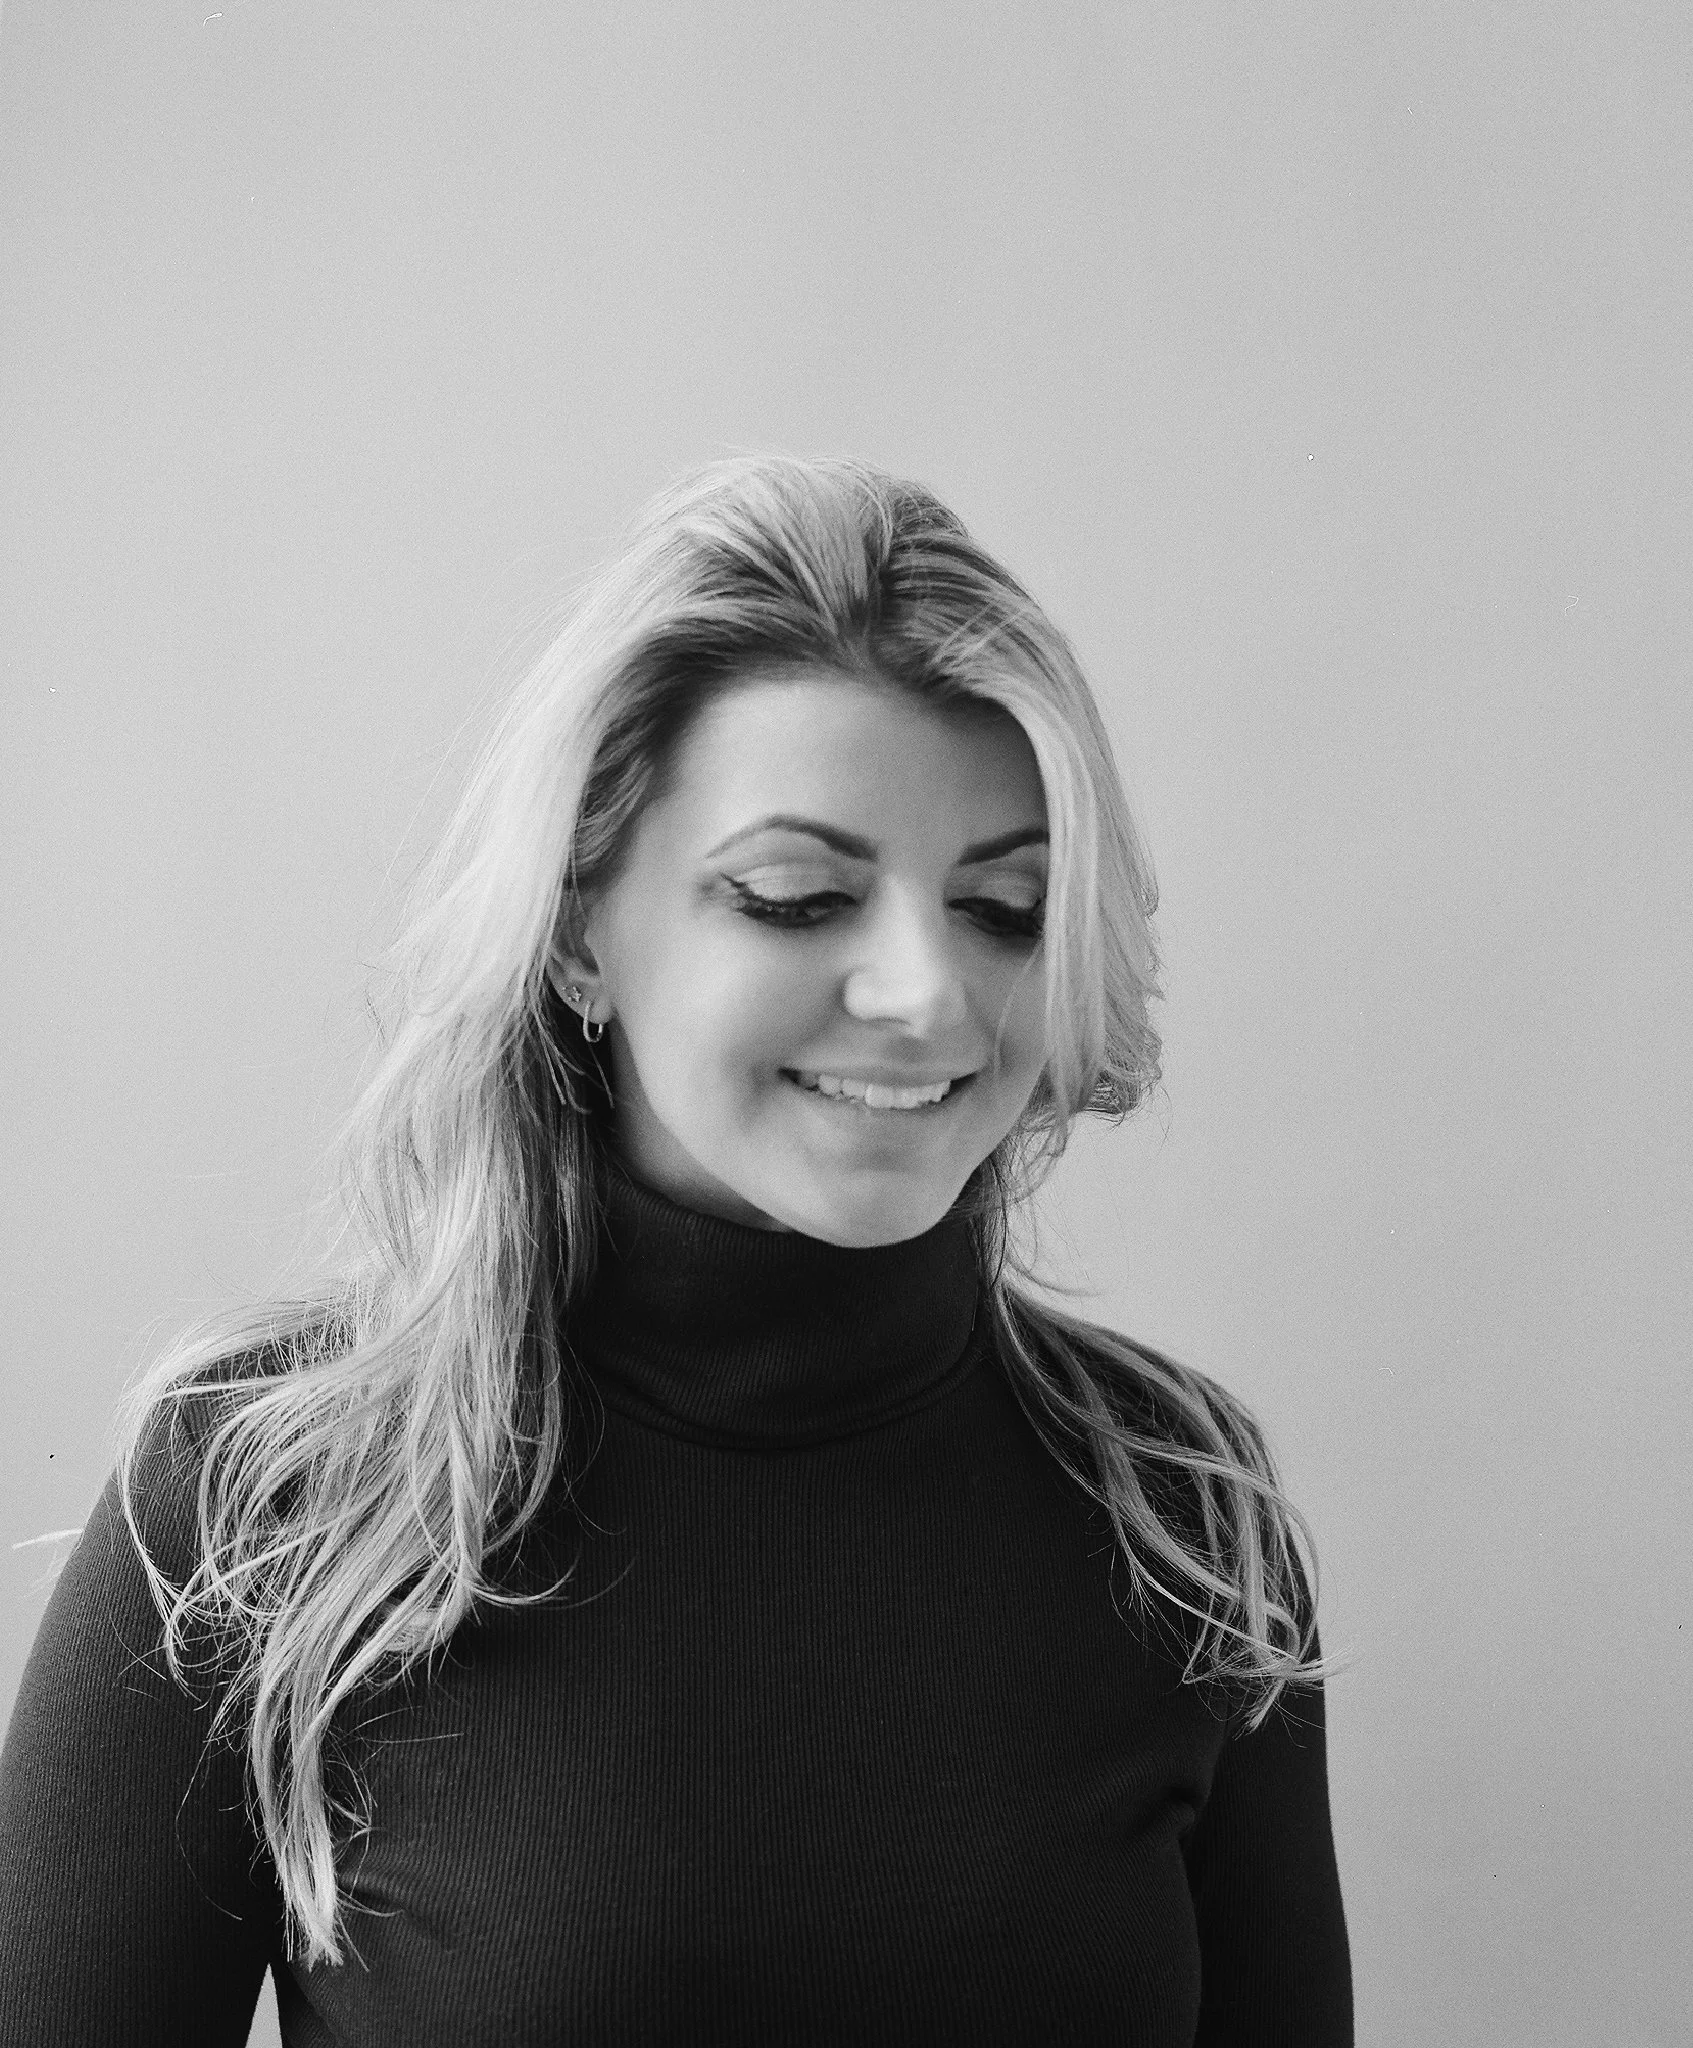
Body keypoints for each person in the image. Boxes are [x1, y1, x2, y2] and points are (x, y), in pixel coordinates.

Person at [0, 455, 1351, 2045]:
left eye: (1000, 908)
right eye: (795, 896)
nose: (925, 992)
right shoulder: (265, 1500)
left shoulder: (1183, 1513)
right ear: (578, 926)